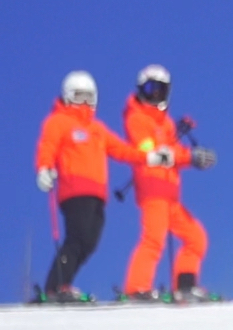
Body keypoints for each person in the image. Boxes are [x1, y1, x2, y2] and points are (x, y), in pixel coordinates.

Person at [33, 71, 173, 303]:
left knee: (89, 242)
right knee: (77, 238)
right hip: (74, 190)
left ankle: (62, 286)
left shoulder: (97, 129)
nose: (84, 102)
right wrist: (44, 168)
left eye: (89, 97)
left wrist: (150, 157)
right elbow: (47, 146)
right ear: (68, 97)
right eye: (78, 96)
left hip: (98, 193)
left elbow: (122, 150)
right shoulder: (58, 121)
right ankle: (54, 287)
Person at [121, 65, 219, 302]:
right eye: (150, 88)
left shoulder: (166, 125)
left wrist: (193, 157)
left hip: (170, 195)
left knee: (196, 237)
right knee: (154, 239)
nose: (155, 94)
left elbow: (174, 152)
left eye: (160, 89)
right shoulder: (137, 119)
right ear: (140, 90)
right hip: (153, 191)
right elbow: (150, 151)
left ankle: (185, 285)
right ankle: (136, 288)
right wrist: (189, 157)